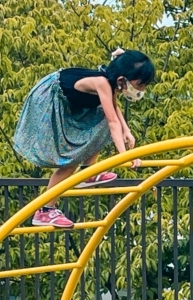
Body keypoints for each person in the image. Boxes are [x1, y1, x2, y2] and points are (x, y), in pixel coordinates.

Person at [13, 48, 155, 228]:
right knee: (72, 158)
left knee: (98, 129)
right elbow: (112, 122)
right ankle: (46, 211)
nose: (141, 90)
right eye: (140, 85)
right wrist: (125, 155)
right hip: (52, 98)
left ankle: (87, 172)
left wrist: (126, 130)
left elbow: (113, 107)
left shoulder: (111, 83)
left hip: (74, 105)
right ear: (122, 80)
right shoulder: (102, 82)